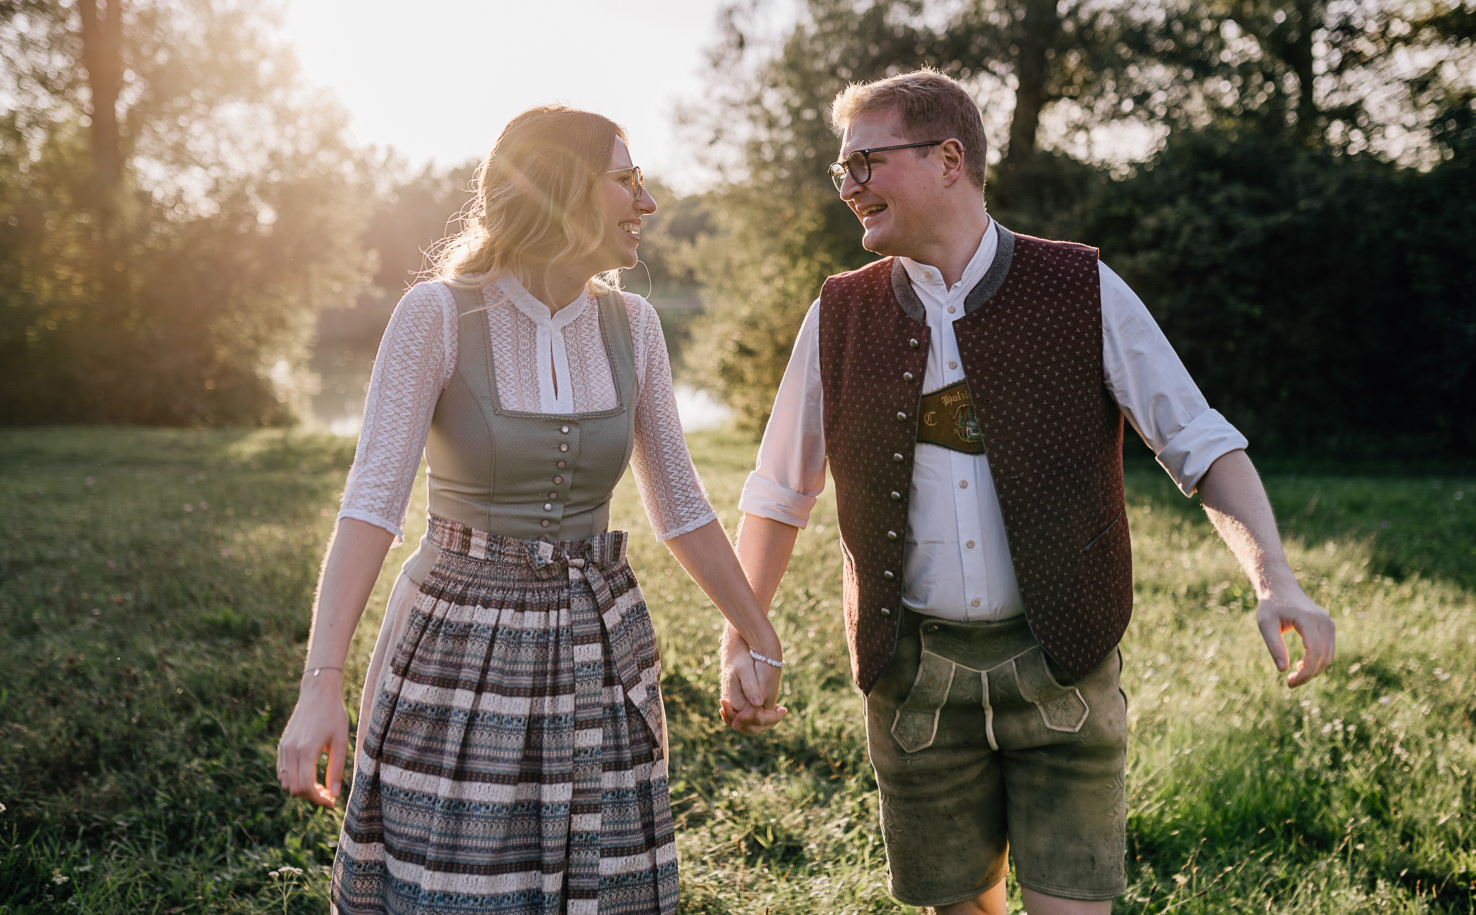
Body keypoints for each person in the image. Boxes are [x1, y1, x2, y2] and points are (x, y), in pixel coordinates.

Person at [719, 69, 1336, 915]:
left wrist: (1275, 579)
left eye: (867, 162)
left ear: (948, 159)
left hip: (1064, 670)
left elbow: (1197, 440)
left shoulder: (1080, 287)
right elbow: (779, 490)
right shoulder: (838, 313)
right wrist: (745, 631)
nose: (849, 186)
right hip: (914, 682)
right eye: (842, 170)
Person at [275, 104, 784, 915]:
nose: (647, 202)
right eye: (627, 180)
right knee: (455, 885)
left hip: (597, 646)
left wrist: (757, 633)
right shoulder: (437, 314)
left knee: (598, 885)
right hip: (455, 646)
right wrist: (320, 684)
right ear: (561, 189)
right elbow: (372, 504)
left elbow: (681, 503)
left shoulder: (635, 325)